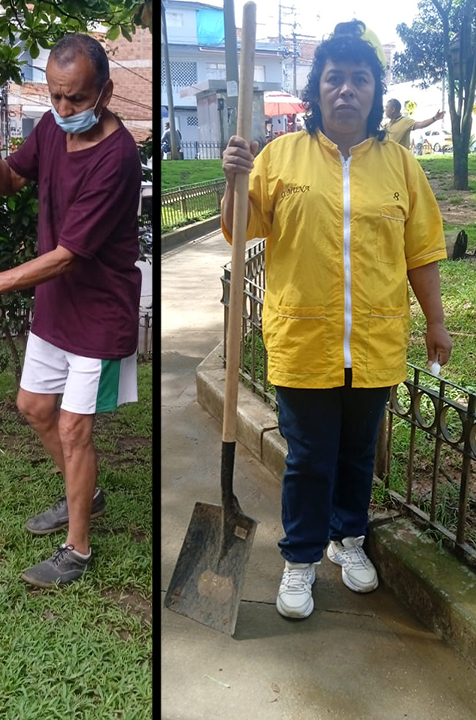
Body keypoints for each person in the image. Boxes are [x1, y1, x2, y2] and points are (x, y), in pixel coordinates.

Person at [220, 20, 451, 620]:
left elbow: (422, 251)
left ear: (375, 93)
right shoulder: (280, 158)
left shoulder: (401, 166)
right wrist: (233, 182)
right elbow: (240, 230)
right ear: (316, 91)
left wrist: (437, 322)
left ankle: (348, 540)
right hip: (303, 339)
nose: (346, 89)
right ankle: (299, 560)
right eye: (334, 79)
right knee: (307, 458)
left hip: (374, 340)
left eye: (359, 80)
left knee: (355, 456)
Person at [0, 33, 142, 587]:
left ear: (106, 92)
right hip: (56, 309)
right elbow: (7, 183)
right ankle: (84, 495)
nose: (63, 109)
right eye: (54, 96)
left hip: (99, 313)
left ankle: (78, 548)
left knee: (74, 427)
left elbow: (68, 257)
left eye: (75, 99)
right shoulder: (49, 127)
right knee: (34, 407)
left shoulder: (117, 158)